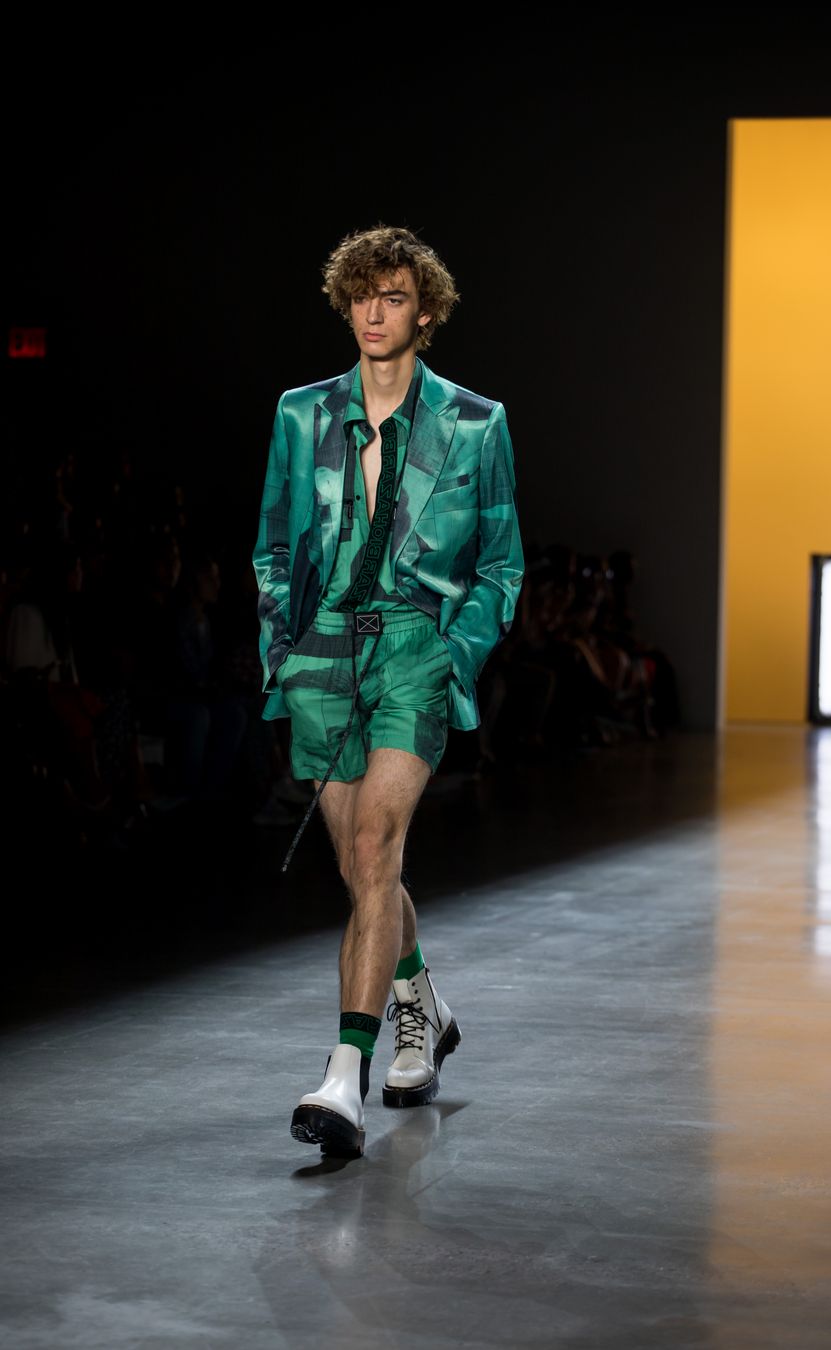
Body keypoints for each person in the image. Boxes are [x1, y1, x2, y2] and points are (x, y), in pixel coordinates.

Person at [252, 224, 524, 1157]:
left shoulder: (476, 423)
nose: (375, 312)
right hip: (322, 650)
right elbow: (274, 545)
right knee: (361, 868)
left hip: (413, 648)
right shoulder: (301, 414)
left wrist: (453, 656)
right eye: (363, 295)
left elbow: (501, 566)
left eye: (395, 296)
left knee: (376, 844)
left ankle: (342, 1079)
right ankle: (423, 1005)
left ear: (426, 310)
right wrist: (281, 649)